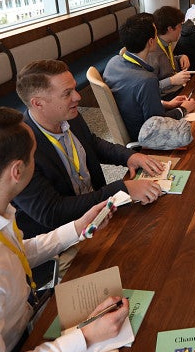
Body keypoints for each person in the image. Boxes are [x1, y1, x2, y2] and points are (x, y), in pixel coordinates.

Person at [0, 107, 130, 352]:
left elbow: (16, 253)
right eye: (34, 155)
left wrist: (75, 229)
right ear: (17, 171)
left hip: (29, 318)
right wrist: (84, 337)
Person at [13, 60, 165, 237]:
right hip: (66, 236)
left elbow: (91, 144)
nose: (77, 97)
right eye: (67, 93)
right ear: (38, 103)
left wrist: (129, 157)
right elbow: (53, 212)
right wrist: (121, 189)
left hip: (100, 214)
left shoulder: (68, 114)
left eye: (74, 89)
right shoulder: (19, 149)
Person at [103, 14, 195, 148]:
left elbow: (134, 99)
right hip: (144, 133)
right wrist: (183, 109)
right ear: (151, 42)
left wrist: (166, 103)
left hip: (130, 121)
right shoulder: (147, 80)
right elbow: (159, 124)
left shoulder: (113, 62)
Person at [149, 7, 192, 99]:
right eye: (180, 25)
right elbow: (149, 87)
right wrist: (172, 80)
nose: (181, 29)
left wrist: (180, 57)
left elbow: (166, 60)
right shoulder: (152, 52)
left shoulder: (165, 43)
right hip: (168, 97)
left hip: (177, 89)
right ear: (170, 29)